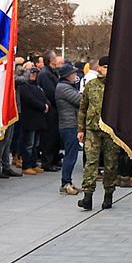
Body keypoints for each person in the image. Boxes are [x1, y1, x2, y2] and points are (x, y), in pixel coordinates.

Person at [77, 55, 118, 210]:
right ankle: (87, 196)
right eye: (105, 67)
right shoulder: (91, 85)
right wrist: (80, 129)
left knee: (111, 163)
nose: (107, 70)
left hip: (111, 130)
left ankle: (108, 194)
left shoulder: (118, 86)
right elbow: (83, 108)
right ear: (99, 68)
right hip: (92, 130)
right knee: (91, 163)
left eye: (110, 67)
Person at [15, 67, 50, 175]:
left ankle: (33, 163)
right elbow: (30, 99)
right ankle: (27, 165)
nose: (34, 75)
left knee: (35, 144)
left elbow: (44, 97)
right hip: (29, 118)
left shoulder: (37, 86)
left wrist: (47, 105)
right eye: (31, 73)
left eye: (35, 73)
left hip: (38, 119)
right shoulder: (23, 87)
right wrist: (42, 106)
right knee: (28, 144)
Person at [54, 63, 82, 195]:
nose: (76, 75)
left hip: (71, 124)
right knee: (70, 156)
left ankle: (68, 181)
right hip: (69, 125)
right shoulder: (63, 88)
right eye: (74, 74)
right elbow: (80, 100)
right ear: (67, 76)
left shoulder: (67, 86)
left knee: (72, 155)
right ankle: (65, 183)